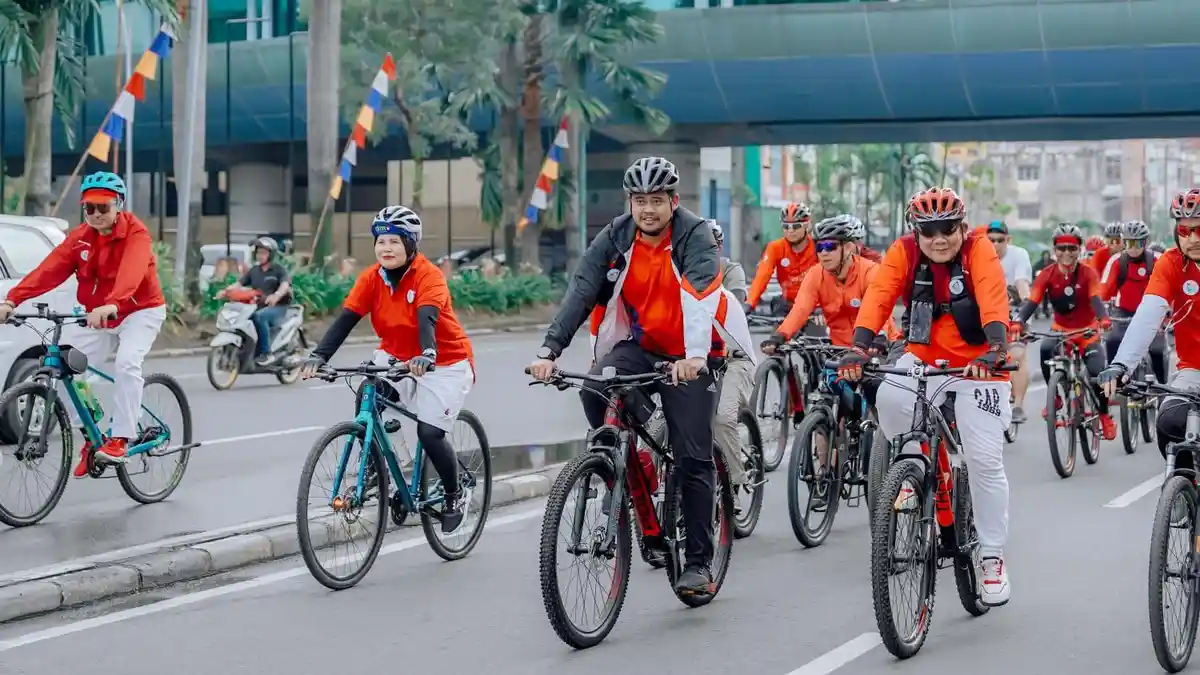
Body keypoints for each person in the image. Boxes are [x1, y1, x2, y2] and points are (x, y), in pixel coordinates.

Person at [527, 156, 754, 596]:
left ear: (673, 201)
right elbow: (582, 288)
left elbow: (699, 294)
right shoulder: (615, 235)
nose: (647, 210)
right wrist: (549, 350)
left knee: (692, 455)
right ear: (629, 202)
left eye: (656, 201)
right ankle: (633, 468)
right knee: (596, 388)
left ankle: (698, 563)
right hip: (644, 344)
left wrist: (691, 357)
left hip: (697, 348)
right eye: (639, 201)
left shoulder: (695, 235)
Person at [837, 187, 1013, 607]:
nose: (939, 239)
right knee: (890, 399)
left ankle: (991, 556)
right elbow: (879, 297)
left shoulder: (979, 251)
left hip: (978, 367)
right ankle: (917, 467)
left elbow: (992, 299)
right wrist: (859, 348)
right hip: (924, 362)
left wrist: (994, 350)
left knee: (986, 458)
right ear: (916, 232)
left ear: (962, 227)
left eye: (948, 229)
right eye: (928, 231)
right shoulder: (903, 252)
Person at [299, 205, 475, 534]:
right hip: (395, 357)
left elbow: (427, 318)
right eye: (381, 242)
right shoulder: (371, 278)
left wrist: (426, 352)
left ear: (411, 245)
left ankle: (453, 494)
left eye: (395, 241)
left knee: (430, 433)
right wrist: (318, 356)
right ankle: (375, 465)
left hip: (444, 362)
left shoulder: (428, 275)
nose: (386, 248)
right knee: (369, 394)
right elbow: (346, 319)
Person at [0, 172, 166, 478]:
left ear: (119, 205)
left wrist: (113, 302)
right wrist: (12, 300)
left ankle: (120, 438)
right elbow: (48, 271)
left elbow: (132, 271)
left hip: (139, 311)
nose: (96, 215)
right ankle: (92, 438)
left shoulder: (136, 234)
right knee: (64, 366)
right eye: (90, 208)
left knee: (128, 364)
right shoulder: (80, 239)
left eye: (104, 207)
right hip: (99, 315)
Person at [760, 214, 899, 510]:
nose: (822, 252)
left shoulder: (871, 272)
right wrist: (780, 336)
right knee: (824, 403)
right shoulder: (816, 275)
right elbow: (799, 310)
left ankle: (890, 470)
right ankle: (823, 476)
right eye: (819, 247)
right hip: (838, 353)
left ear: (849, 248)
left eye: (829, 246)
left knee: (883, 406)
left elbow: (881, 309)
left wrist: (879, 340)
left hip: (875, 350)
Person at [1102, 189, 1200, 471]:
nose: (1193, 238)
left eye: (1199, 230)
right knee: (1169, 422)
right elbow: (1148, 313)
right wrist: (1122, 365)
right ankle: (1184, 498)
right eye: (1185, 230)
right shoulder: (1170, 263)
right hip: (1193, 370)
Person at [1012, 223, 1115, 439]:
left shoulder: (1088, 273)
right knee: (1045, 349)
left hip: (1087, 332)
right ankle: (1055, 396)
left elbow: (1096, 298)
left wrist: (1103, 318)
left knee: (1098, 374)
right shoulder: (1047, 274)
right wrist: (1018, 321)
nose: (1066, 253)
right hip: (1060, 331)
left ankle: (1104, 415)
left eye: (1072, 248)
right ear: (1054, 250)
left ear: (1079, 249)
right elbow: (1032, 301)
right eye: (1061, 248)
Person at [1100, 220, 1166, 384]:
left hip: (1153, 315)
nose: (1134, 248)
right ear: (1124, 242)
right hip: (1124, 313)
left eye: (1139, 243)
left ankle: (1162, 388)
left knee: (1157, 350)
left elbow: (1169, 288)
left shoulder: (1158, 260)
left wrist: (1166, 317)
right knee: (1112, 341)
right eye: (1129, 243)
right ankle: (1114, 381)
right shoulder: (1116, 261)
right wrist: (1101, 314)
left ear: (1146, 242)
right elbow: (1103, 291)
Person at [984, 221, 1033, 423]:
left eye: (1000, 240)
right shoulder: (980, 256)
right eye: (991, 240)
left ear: (1008, 240)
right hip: (987, 311)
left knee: (1018, 354)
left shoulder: (1018, 255)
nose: (995, 245)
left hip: (1013, 311)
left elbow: (1022, 284)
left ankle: (1018, 406)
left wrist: (1026, 306)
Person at [216, 236, 292, 366]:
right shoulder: (254, 270)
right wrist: (225, 291)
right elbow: (239, 283)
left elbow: (285, 285)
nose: (260, 255)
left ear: (271, 254)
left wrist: (276, 295)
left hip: (278, 307)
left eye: (263, 253)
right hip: (258, 305)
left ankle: (266, 354)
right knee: (241, 319)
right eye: (258, 252)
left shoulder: (279, 269)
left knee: (259, 317)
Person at [745, 202, 818, 317]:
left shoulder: (818, 247)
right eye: (786, 226)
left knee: (819, 333)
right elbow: (762, 277)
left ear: (807, 225)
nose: (790, 231)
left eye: (796, 226)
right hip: (787, 304)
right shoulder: (775, 247)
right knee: (777, 333)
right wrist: (749, 304)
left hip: (815, 306)